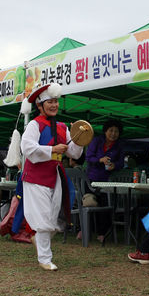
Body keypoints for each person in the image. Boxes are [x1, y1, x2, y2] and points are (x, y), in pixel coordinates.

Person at [20, 83, 83, 271]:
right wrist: (51, 150)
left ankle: (39, 243)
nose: (54, 105)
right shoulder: (34, 124)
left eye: (56, 101)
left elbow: (75, 154)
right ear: (40, 105)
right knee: (43, 218)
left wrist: (79, 139)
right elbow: (27, 148)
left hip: (55, 176)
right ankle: (45, 259)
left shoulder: (63, 127)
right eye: (49, 102)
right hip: (35, 176)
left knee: (52, 216)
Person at [83, 118, 125, 242]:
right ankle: (83, 229)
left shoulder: (119, 145)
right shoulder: (96, 141)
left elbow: (121, 163)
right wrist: (99, 160)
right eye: (111, 130)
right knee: (88, 203)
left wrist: (115, 166)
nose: (113, 134)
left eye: (116, 131)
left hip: (107, 180)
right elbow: (88, 157)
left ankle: (102, 233)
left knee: (105, 206)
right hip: (92, 178)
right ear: (105, 131)